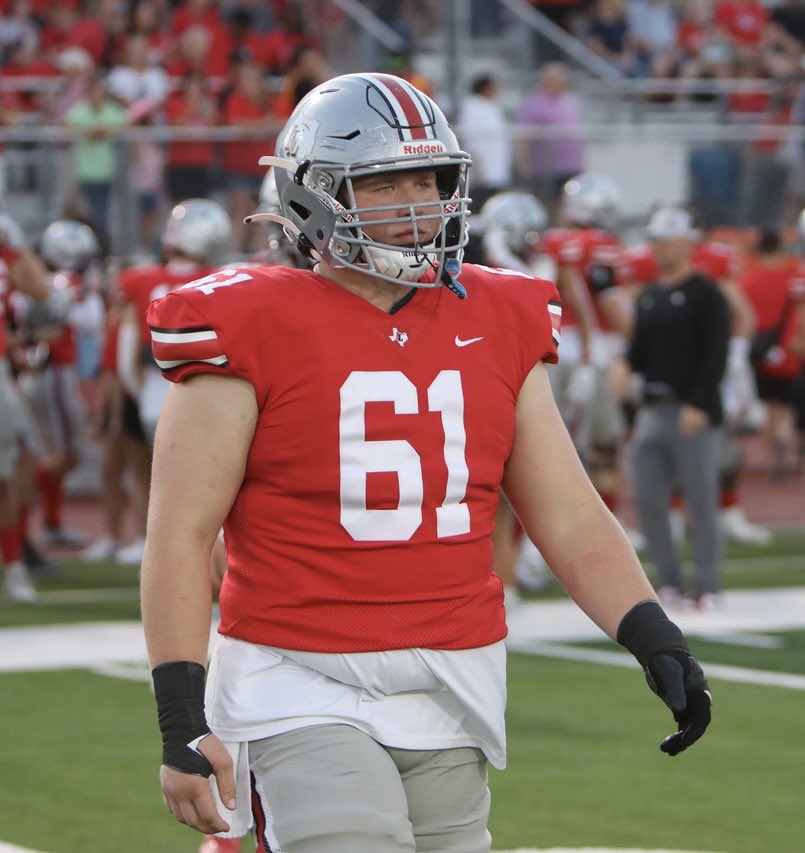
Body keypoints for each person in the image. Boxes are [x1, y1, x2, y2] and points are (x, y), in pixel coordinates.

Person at [140, 73, 712, 852]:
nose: (417, 205)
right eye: (383, 182)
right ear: (312, 195)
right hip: (298, 673)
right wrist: (181, 714)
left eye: (429, 179)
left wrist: (654, 636)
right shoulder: (246, 320)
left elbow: (566, 509)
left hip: (452, 673)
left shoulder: (500, 312)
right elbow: (179, 531)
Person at [617, 205, 730, 611]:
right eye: (654, 241)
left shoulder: (707, 295)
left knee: (700, 500)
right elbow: (639, 351)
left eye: (664, 241)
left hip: (690, 409)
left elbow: (715, 354)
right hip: (653, 407)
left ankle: (707, 583)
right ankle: (668, 579)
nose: (658, 249)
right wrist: (624, 365)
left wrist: (700, 401)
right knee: (649, 500)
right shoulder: (650, 296)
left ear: (685, 243)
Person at [515, 61, 585, 219]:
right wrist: (524, 162)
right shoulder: (535, 103)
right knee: (549, 204)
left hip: (571, 166)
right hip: (547, 168)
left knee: (569, 204)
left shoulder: (570, 101)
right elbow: (525, 135)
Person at [455, 75, 513, 213]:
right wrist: (476, 163)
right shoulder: (472, 108)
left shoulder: (491, 107)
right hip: (482, 170)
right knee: (480, 203)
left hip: (496, 168)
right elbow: (470, 138)